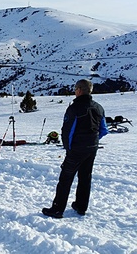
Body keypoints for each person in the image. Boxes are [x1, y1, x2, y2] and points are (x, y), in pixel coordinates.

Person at [42, 79, 108, 218]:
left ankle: (57, 209)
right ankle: (81, 206)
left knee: (66, 178)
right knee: (85, 177)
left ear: (79, 90)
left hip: (77, 148)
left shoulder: (74, 108)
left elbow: (67, 131)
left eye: (75, 89)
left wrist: (68, 148)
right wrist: (93, 140)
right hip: (92, 148)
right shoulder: (99, 107)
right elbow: (103, 130)